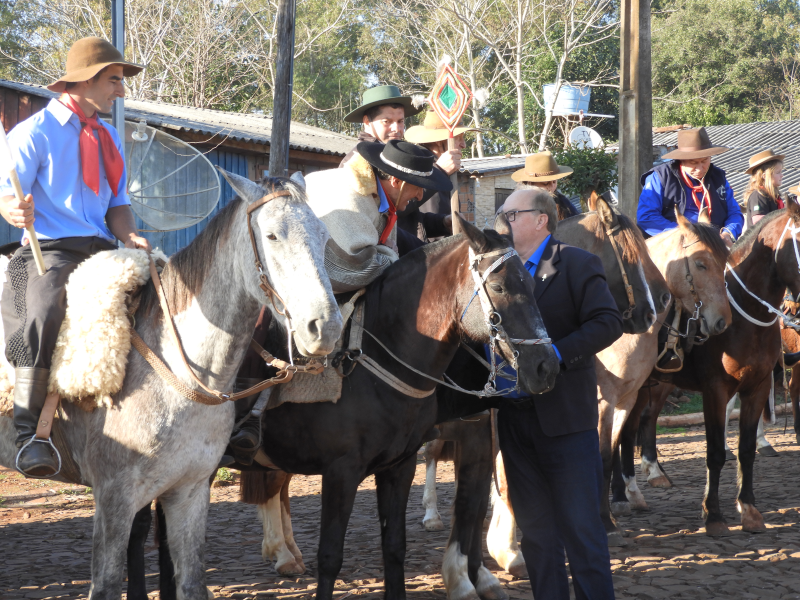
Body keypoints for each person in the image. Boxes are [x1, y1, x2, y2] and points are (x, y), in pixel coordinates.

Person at [0, 37, 150, 477]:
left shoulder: (109, 138)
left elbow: (117, 205)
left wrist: (132, 235)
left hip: (102, 246)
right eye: (114, 80)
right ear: (85, 81)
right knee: (40, 306)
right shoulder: (32, 134)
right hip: (49, 248)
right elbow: (7, 197)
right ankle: (28, 432)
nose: (121, 91)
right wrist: (12, 209)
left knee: (165, 288)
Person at [492, 189, 622, 600]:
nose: (503, 223)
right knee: (536, 537)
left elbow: (608, 323)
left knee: (582, 531)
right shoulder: (496, 272)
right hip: (514, 420)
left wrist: (557, 354)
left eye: (510, 214)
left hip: (566, 420)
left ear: (540, 220)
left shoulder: (577, 263)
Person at [638, 127, 743, 245]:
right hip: (672, 245)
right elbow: (647, 217)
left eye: (704, 161)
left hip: (716, 243)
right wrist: (685, 233)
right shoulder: (659, 177)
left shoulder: (718, 177)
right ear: (681, 160)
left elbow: (734, 213)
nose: (700, 168)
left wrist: (728, 233)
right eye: (693, 163)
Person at [402, 111, 474, 241]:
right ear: (440, 140)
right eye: (459, 138)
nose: (463, 145)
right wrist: (439, 172)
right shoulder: (419, 166)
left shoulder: (442, 168)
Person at [511, 151, 581, 220]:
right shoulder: (516, 207)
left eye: (554, 182)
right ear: (530, 183)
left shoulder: (564, 203)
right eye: (546, 183)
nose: (552, 187)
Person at [743, 149, 785, 228]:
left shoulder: (775, 197)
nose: (782, 175)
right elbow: (759, 222)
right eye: (778, 172)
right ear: (765, 176)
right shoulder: (758, 196)